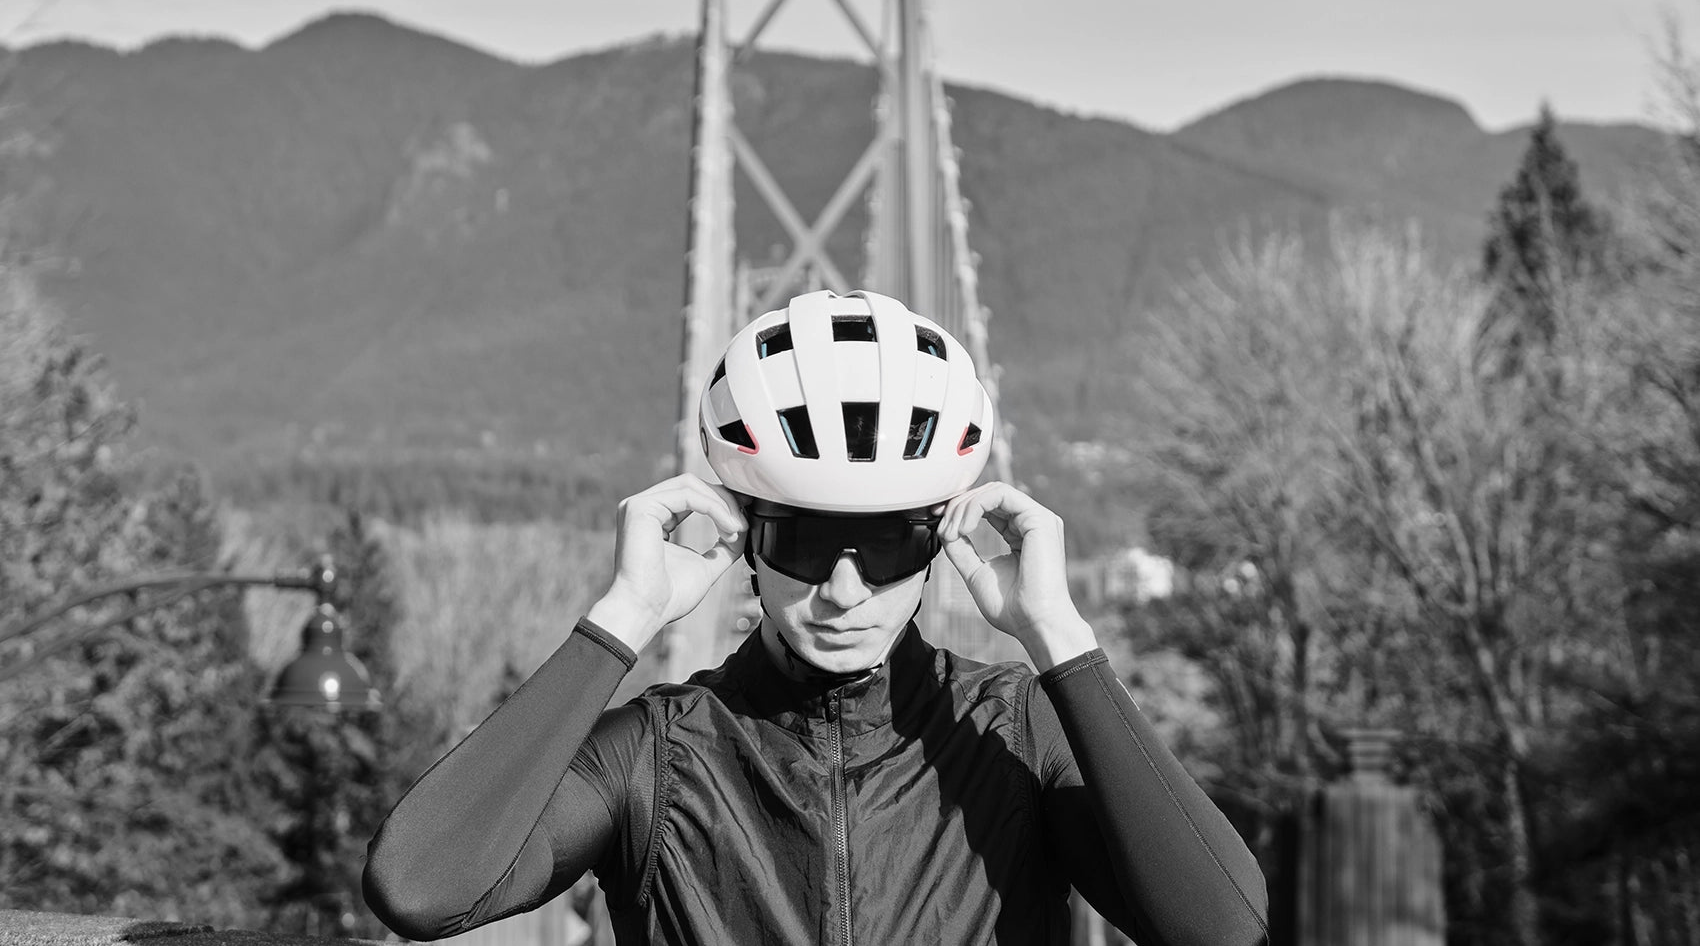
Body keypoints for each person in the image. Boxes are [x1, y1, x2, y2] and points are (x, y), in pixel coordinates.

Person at [363, 289, 1269, 946]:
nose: (843, 590)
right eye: (802, 542)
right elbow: (420, 886)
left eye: (887, 547)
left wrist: (1060, 641)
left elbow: (1223, 926)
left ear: (942, 540)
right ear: (747, 538)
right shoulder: (658, 754)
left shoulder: (1015, 732)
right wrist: (621, 618)